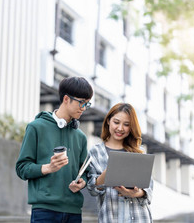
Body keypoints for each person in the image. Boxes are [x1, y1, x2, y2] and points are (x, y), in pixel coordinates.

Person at [16, 76, 93, 223]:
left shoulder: (81, 137)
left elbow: (85, 172)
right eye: (81, 102)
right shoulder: (36, 127)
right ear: (66, 99)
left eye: (87, 104)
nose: (83, 108)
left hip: (74, 212)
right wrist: (48, 168)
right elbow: (21, 168)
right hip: (45, 211)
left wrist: (81, 181)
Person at [87, 103, 153, 223]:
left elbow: (149, 188)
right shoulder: (95, 151)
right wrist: (110, 171)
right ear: (108, 121)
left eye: (126, 124)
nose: (120, 128)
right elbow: (92, 188)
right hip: (111, 217)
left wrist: (135, 193)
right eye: (116, 122)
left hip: (139, 217)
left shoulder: (138, 152)